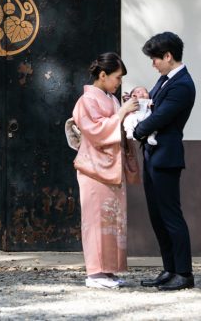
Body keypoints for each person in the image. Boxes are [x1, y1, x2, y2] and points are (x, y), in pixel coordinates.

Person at [71, 52, 140, 289]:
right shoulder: (86, 101)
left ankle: (107, 271)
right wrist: (121, 114)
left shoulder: (110, 98)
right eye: (117, 77)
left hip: (111, 167)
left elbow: (116, 126)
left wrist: (129, 113)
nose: (119, 82)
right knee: (95, 220)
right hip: (94, 168)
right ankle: (94, 273)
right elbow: (96, 132)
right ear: (103, 75)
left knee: (113, 220)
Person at [133, 32, 197, 291]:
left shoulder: (182, 84)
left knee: (171, 216)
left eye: (155, 59)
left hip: (166, 157)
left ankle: (184, 272)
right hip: (154, 155)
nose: (153, 64)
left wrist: (137, 130)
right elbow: (153, 105)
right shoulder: (166, 79)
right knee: (157, 216)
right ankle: (169, 269)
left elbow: (161, 116)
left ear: (168, 56)